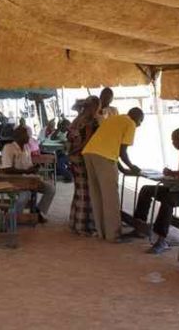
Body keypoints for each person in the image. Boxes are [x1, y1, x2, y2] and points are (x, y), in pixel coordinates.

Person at [82, 108, 144, 242]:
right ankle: (113, 235)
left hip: (89, 153)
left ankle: (102, 232)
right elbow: (122, 152)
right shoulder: (130, 123)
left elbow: (112, 152)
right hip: (103, 156)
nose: (139, 125)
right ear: (136, 117)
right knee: (111, 198)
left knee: (97, 195)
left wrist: (122, 169)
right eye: (140, 121)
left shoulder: (114, 119)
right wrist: (132, 167)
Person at [0, 126, 56, 223]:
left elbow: (28, 165)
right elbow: (6, 169)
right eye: (26, 135)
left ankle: (38, 212)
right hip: (14, 182)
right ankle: (14, 217)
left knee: (50, 189)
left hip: (29, 180)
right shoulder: (8, 148)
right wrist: (26, 172)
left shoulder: (26, 147)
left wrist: (34, 168)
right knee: (25, 195)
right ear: (18, 136)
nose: (28, 137)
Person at [67, 96, 100, 235]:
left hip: (74, 158)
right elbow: (86, 141)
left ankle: (75, 223)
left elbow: (69, 138)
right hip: (81, 157)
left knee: (79, 191)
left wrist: (71, 152)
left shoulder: (76, 120)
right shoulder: (88, 122)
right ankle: (82, 227)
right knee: (86, 193)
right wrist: (76, 150)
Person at [49, 119, 72, 183]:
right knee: (56, 164)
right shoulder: (60, 132)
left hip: (67, 153)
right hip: (59, 152)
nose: (63, 127)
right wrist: (58, 129)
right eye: (62, 126)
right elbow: (52, 138)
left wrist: (65, 142)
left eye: (64, 126)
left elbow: (69, 144)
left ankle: (69, 176)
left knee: (59, 164)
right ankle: (64, 173)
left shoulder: (69, 133)